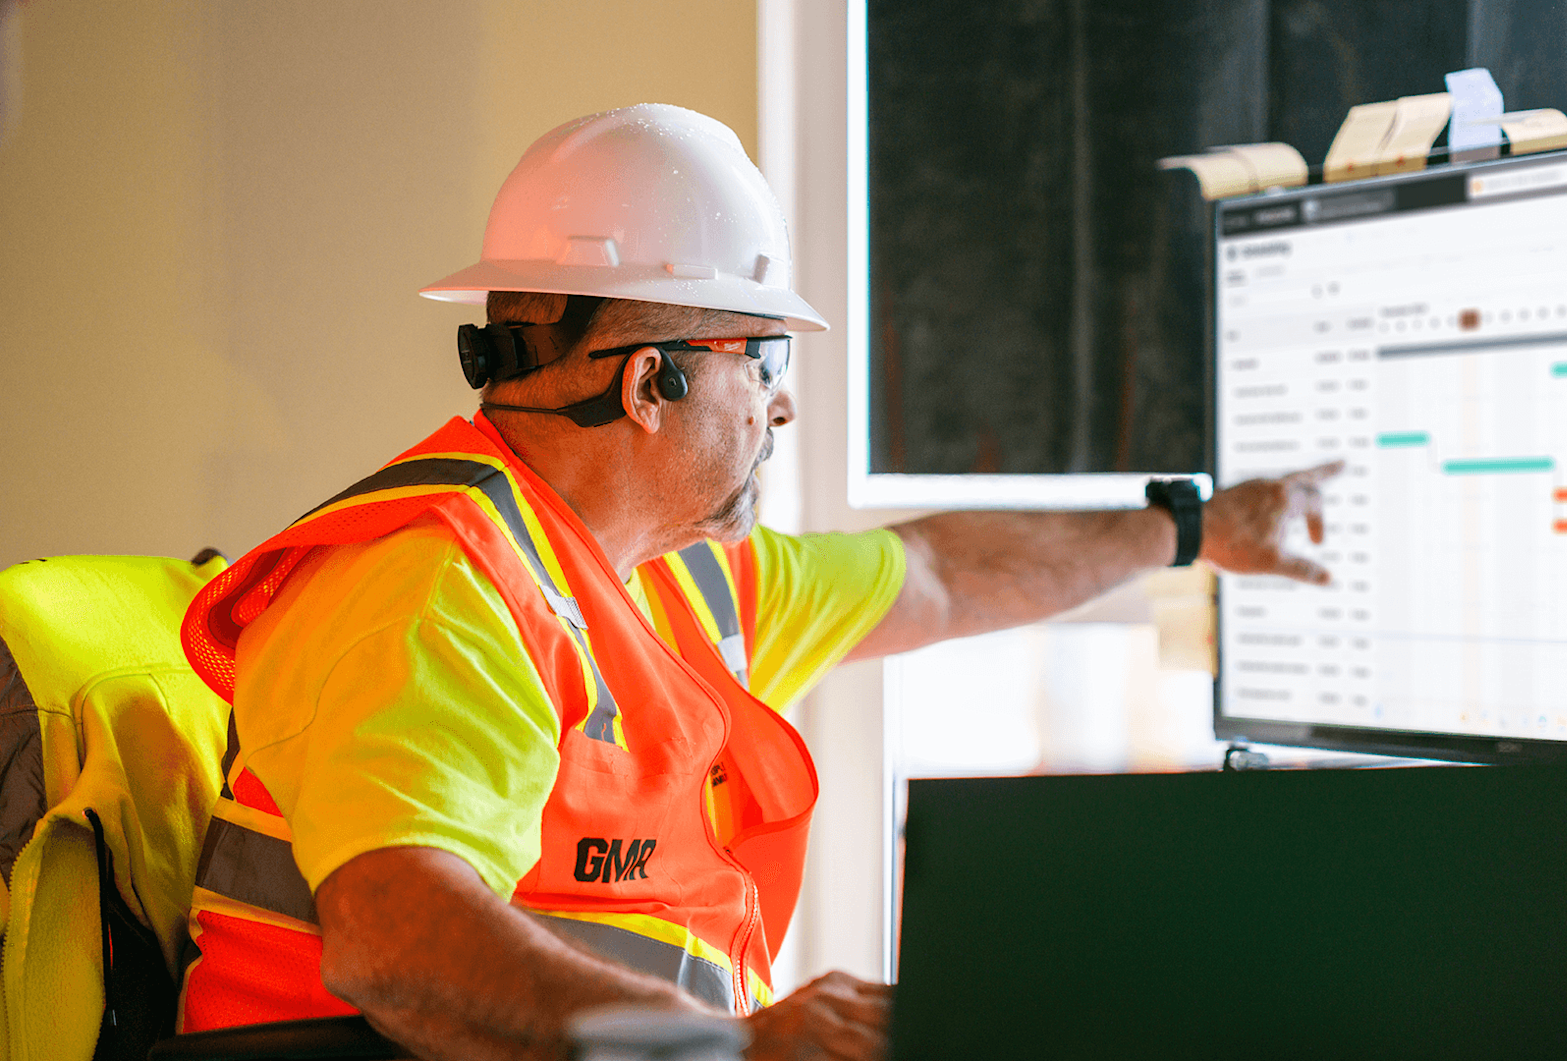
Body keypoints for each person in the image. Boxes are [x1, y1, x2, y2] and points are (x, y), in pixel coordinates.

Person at [174, 104, 1339, 1061]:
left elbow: (934, 574)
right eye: (765, 356)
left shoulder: (668, 576)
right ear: (650, 384)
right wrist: (729, 1046)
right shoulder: (433, 592)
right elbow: (398, 946)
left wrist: (1198, 529)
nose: (783, 402)